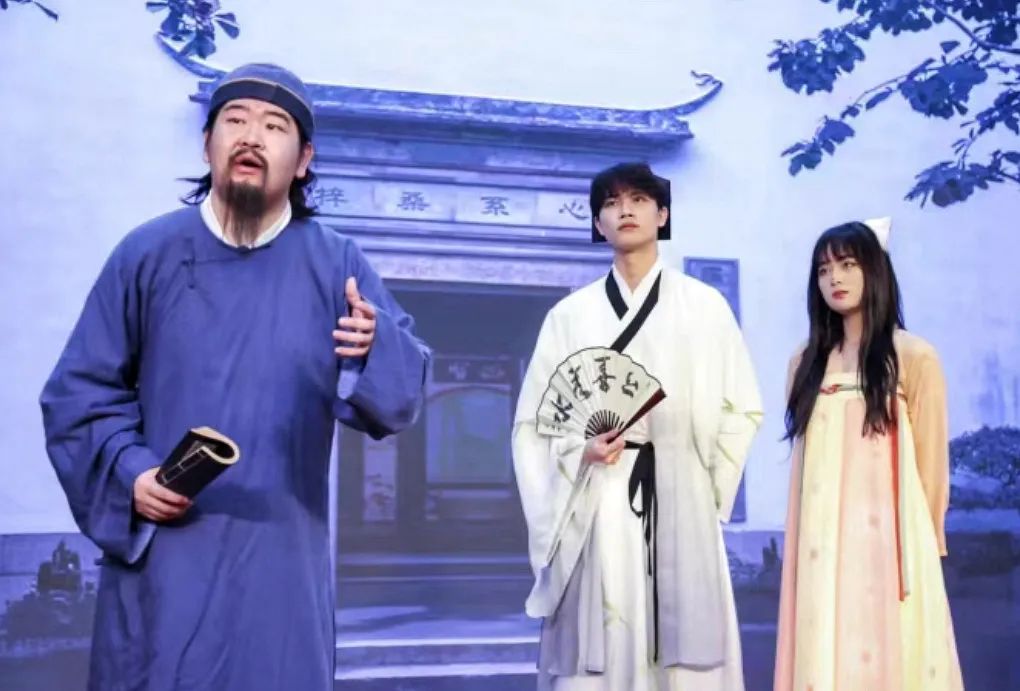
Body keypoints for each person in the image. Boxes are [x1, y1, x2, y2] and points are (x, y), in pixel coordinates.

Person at [39, 62, 431, 691]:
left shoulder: (336, 263)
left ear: (303, 161)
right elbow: (79, 394)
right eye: (235, 120)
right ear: (208, 144)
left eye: (274, 127)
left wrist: (374, 346)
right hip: (167, 555)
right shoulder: (146, 254)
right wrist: (131, 473)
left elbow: (403, 394)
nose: (251, 137)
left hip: (283, 560)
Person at [512, 162, 763, 690]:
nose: (624, 210)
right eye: (611, 202)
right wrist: (578, 451)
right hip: (597, 493)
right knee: (600, 636)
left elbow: (741, 407)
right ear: (597, 223)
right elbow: (534, 422)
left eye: (639, 199)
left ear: (662, 214)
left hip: (681, 488)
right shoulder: (569, 315)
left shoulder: (705, 306)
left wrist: (703, 486)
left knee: (684, 648)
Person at [774, 218, 963, 690]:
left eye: (847, 264)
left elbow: (931, 461)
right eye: (823, 270)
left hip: (890, 537)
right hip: (820, 540)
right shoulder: (805, 362)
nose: (834, 279)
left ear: (874, 270)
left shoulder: (913, 355)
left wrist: (929, 541)